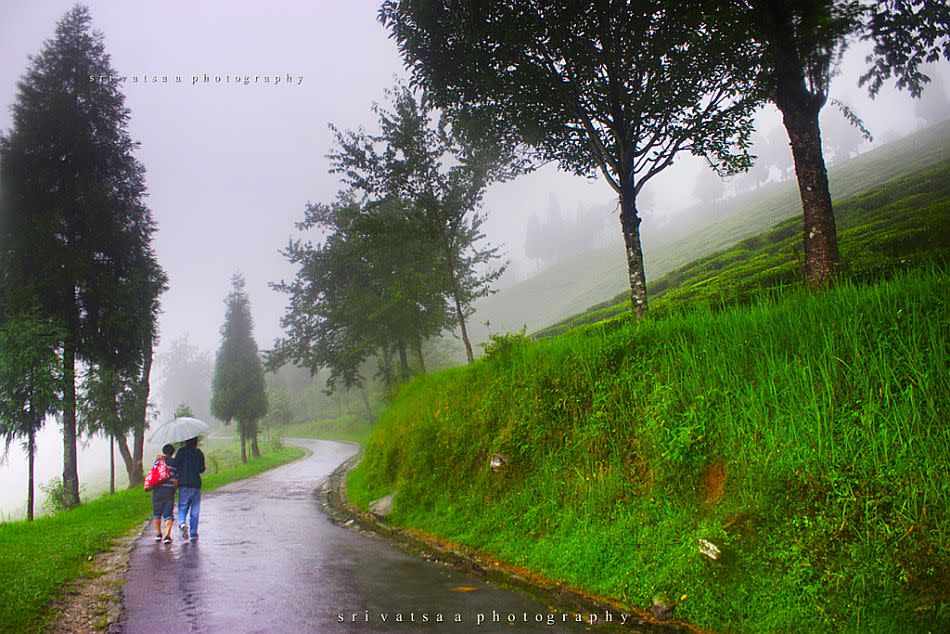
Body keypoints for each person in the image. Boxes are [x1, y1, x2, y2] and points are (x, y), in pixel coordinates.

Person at [175, 436, 205, 542]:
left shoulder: (181, 451)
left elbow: (175, 464)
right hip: (196, 484)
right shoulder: (199, 453)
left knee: (182, 507)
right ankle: (193, 533)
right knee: (195, 510)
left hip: (184, 484)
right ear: (196, 442)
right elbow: (202, 469)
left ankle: (182, 523)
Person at [151, 444, 178, 544]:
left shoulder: (158, 461)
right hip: (169, 491)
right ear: (173, 452)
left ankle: (158, 534)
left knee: (157, 513)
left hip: (157, 490)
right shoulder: (175, 463)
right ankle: (167, 536)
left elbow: (153, 474)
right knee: (168, 513)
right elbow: (177, 479)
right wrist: (174, 490)